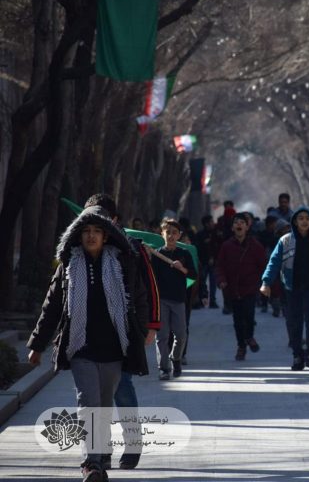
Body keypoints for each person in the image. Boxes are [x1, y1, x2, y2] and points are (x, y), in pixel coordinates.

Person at [27, 206, 150, 482]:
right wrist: (38, 343)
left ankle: (101, 454)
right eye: (86, 231)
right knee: (88, 403)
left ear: (106, 236)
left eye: (96, 231)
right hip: (81, 347)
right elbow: (52, 306)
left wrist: (140, 332)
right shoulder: (69, 265)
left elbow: (140, 299)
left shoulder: (122, 264)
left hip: (114, 349)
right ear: (78, 236)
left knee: (103, 406)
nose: (91, 236)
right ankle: (91, 463)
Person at [82, 194, 160, 471]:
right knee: (92, 396)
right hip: (90, 334)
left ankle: (132, 441)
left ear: (114, 220)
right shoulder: (79, 247)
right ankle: (99, 451)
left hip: (123, 333)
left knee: (122, 388)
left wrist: (151, 325)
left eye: (101, 219)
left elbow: (149, 288)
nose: (93, 229)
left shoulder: (133, 249)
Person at [261, 207, 309, 371]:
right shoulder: (285, 240)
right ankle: (297, 355)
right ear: (295, 222)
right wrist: (266, 282)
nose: (304, 221)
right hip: (292, 287)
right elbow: (274, 262)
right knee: (294, 322)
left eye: (307, 218)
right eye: (301, 218)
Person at [216, 212, 268, 360]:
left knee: (249, 316)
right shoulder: (226, 246)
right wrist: (221, 280)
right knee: (237, 320)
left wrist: (265, 283)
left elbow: (264, 265)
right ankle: (241, 346)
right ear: (232, 228)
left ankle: (249, 336)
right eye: (236, 223)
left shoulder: (255, 246)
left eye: (242, 223)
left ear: (247, 227)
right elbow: (220, 266)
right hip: (232, 289)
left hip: (250, 288)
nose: (239, 225)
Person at [152, 218, 196, 380]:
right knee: (162, 336)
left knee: (181, 334)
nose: (170, 236)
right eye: (167, 232)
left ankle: (176, 358)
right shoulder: (157, 254)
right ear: (162, 234)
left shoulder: (184, 254)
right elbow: (151, 279)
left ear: (179, 235)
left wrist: (182, 268)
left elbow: (193, 275)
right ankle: (163, 368)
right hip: (161, 300)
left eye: (174, 233)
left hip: (178, 299)